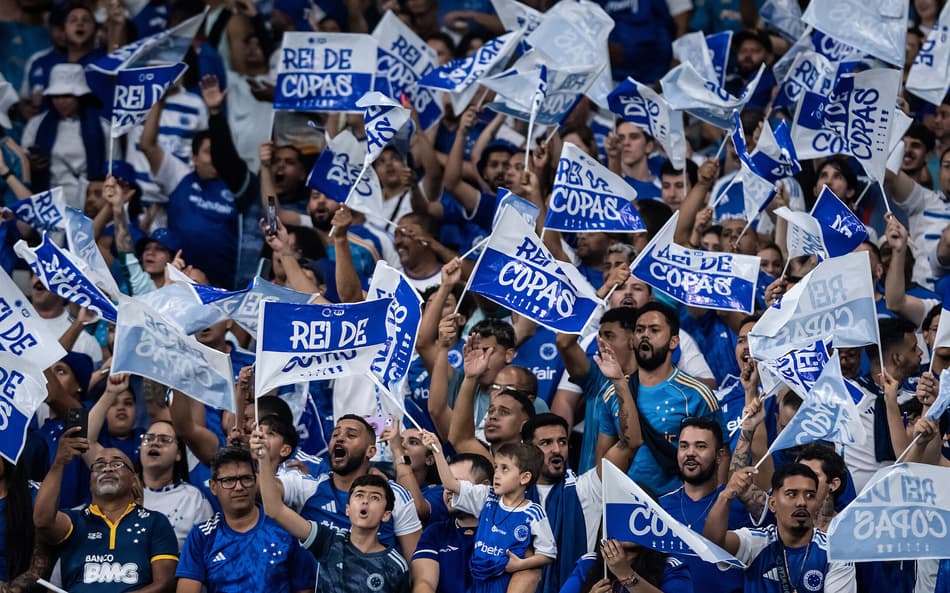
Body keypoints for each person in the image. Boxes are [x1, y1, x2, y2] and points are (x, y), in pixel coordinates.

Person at [256, 433, 411, 593]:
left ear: (386, 514)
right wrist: (264, 460)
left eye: (375, 498)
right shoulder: (328, 541)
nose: (365, 501)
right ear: (348, 509)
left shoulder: (397, 565)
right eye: (359, 495)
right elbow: (274, 510)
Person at [601, 302, 725, 494]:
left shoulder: (698, 394)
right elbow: (603, 458)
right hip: (624, 502)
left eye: (654, 330)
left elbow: (721, 455)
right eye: (640, 329)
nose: (645, 335)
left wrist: (715, 501)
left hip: (677, 507)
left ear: (673, 342)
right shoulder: (613, 392)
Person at [33, 432, 179, 592]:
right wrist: (59, 463)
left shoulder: (155, 522)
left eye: (117, 464)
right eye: (99, 465)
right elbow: (42, 520)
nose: (108, 468)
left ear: (133, 479)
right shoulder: (75, 521)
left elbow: (166, 584)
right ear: (90, 481)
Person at [272, 415, 423, 563]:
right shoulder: (308, 486)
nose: (340, 438)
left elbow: (418, 566)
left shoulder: (395, 495)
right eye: (335, 434)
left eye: (351, 435)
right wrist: (264, 459)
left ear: (370, 451)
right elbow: (270, 502)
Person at [422, 435, 557, 593]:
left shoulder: (533, 512)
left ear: (524, 477)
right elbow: (450, 483)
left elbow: (547, 554)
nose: (497, 474)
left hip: (505, 581)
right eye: (496, 467)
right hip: (477, 579)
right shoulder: (486, 497)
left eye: (504, 469)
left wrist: (520, 565)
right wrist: (437, 450)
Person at [175, 447, 315, 593]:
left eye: (246, 479)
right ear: (213, 487)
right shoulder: (201, 536)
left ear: (256, 482)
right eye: (228, 480)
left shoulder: (286, 527)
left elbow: (305, 588)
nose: (239, 487)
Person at [704, 463, 856, 593]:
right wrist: (726, 495)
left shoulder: (835, 552)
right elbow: (713, 543)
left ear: (817, 504)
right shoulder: (756, 542)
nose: (802, 502)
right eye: (792, 494)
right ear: (772, 504)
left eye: (810, 495)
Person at [659, 417, 753, 593]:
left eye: (701, 446)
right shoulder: (659, 508)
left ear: (719, 456)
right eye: (684, 446)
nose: (690, 453)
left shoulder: (739, 504)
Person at [410, 454, 494, 593]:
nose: (448, 491)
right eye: (445, 484)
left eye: (456, 484)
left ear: (484, 487)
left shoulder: (506, 530)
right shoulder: (435, 532)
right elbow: (424, 583)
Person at [139, 420, 214, 549]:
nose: (155, 443)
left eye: (164, 440)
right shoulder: (124, 494)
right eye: (148, 439)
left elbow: (208, 550)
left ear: (178, 454)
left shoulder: (193, 499)